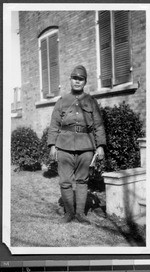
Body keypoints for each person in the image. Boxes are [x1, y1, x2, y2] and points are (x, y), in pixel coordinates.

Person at [47, 65, 106, 224]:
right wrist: (52, 145)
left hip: (86, 146)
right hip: (64, 146)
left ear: (85, 81)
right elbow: (54, 125)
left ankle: (80, 214)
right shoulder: (62, 101)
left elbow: (98, 125)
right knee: (65, 181)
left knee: (82, 180)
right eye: (75, 78)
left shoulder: (91, 101)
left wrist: (100, 146)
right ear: (70, 80)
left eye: (81, 79)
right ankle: (69, 213)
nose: (77, 81)